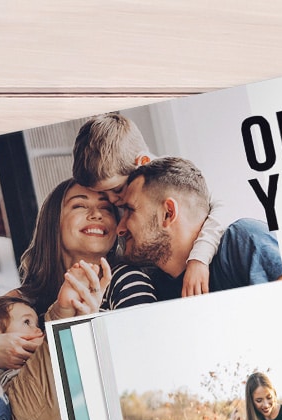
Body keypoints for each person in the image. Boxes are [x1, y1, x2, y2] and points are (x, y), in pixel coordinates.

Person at [0, 179, 156, 420]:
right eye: (80, 205)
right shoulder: (19, 300)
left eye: (105, 209)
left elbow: (143, 355)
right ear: (53, 224)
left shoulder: (125, 280)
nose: (96, 214)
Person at [72, 113, 225, 297]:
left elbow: (220, 208)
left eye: (117, 189)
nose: (112, 201)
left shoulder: (176, 181)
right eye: (103, 195)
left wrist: (199, 258)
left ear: (143, 162)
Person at [114, 156, 282, 300]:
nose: (119, 229)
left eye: (130, 210)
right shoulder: (152, 287)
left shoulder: (242, 241)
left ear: (168, 213)